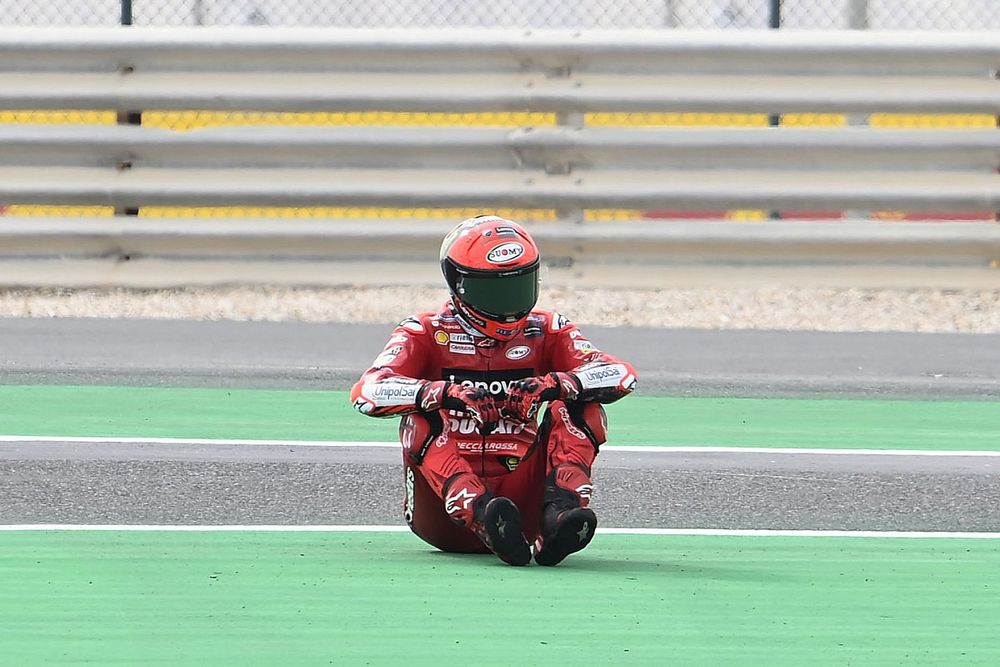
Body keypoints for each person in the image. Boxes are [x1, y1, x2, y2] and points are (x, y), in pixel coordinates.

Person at [350, 215, 638, 566]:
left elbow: (621, 374)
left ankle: (560, 512)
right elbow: (368, 391)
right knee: (418, 415)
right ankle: (477, 508)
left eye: (518, 287)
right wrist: (442, 393)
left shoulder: (548, 328)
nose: (508, 307)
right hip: (444, 513)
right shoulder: (425, 330)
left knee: (582, 405)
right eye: (494, 291)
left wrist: (555, 384)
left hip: (521, 505)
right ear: (459, 284)